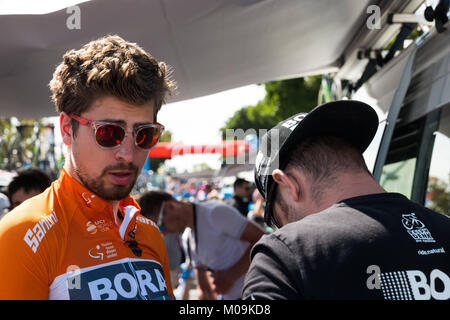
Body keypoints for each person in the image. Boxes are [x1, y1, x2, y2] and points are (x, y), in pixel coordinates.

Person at [0, 35, 176, 300]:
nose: (127, 154)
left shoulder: (148, 232)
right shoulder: (21, 235)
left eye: (144, 134)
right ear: (67, 129)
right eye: (108, 133)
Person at [242, 100, 450, 300]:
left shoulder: (286, 256)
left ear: (289, 184)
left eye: (279, 220)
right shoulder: (444, 227)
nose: (283, 229)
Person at [140, 190, 266, 300]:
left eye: (160, 227)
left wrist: (231, 275)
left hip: (258, 293)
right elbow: (204, 289)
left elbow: (263, 240)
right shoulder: (187, 238)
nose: (165, 233)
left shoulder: (214, 212)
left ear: (170, 207)